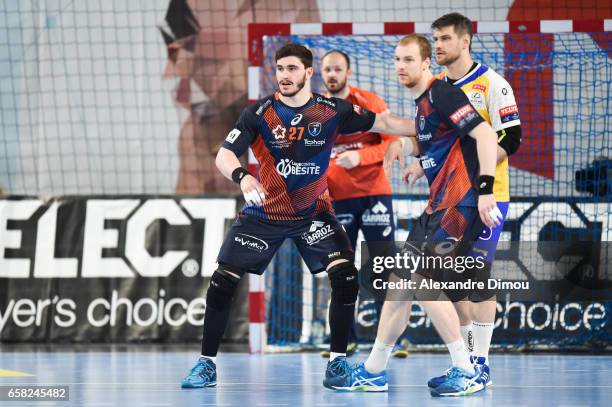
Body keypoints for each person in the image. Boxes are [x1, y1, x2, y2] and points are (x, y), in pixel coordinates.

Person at [180, 43, 415, 390]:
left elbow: (385, 121)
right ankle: (206, 364)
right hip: (265, 211)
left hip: (314, 213)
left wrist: (434, 125)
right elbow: (225, 153)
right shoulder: (259, 113)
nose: (285, 76)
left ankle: (337, 365)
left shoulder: (331, 110)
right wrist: (243, 176)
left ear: (308, 73)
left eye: (292, 69)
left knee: (346, 277)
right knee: (222, 280)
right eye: (280, 69)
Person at [334, 34, 501, 397]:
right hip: (435, 207)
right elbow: (395, 126)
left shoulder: (442, 93)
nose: (401, 66)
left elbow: (486, 136)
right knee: (399, 284)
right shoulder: (424, 105)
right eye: (397, 60)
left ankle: (465, 367)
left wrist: (486, 190)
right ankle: (374, 371)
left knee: (422, 280)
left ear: (426, 63)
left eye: (409, 59)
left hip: (460, 205)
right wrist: (345, 116)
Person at [403, 13, 522, 388]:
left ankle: (480, 365)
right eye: (434, 39)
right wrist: (425, 166)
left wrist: (475, 178)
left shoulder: (492, 84)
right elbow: (440, 143)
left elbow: (510, 139)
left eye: (444, 39)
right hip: (448, 201)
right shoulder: (435, 89)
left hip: (488, 196)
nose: (436, 46)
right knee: (452, 283)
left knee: (476, 276)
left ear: (465, 41)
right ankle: (467, 365)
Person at [319, 50, 407, 358]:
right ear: (321, 73)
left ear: (348, 71)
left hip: (374, 196)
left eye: (337, 69)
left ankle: (390, 340)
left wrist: (361, 157)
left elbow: (393, 141)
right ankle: (345, 340)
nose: (332, 74)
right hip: (337, 199)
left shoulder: (369, 102)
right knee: (342, 269)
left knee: (382, 268)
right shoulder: (316, 110)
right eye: (327, 69)